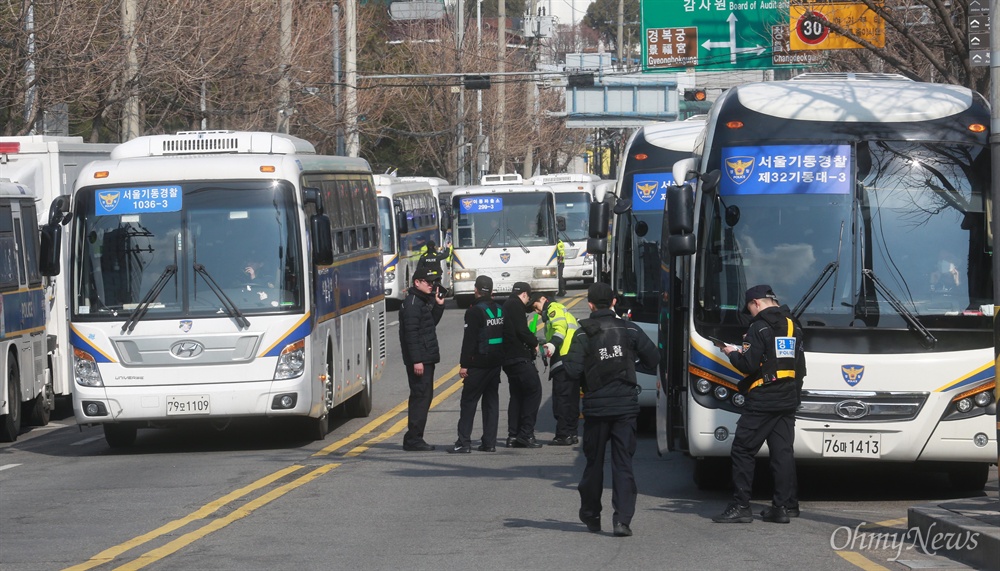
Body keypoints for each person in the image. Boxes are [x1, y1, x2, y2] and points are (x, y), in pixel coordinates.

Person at [563, 282, 659, 537]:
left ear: (591, 304)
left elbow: (572, 371)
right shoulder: (629, 329)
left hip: (595, 410)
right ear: (614, 302)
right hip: (626, 407)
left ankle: (591, 515)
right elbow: (654, 358)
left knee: (594, 464)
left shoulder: (583, 333)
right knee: (623, 464)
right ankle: (622, 520)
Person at [712, 284, 806, 524]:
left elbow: (747, 365)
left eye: (749, 308)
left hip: (763, 399)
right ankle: (784, 506)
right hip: (787, 399)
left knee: (743, 449)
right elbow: (800, 367)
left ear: (756, 303)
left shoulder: (759, 326)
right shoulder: (792, 324)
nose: (750, 313)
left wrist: (731, 352)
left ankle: (741, 505)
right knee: (782, 453)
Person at [449, 275, 504, 453]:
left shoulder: (474, 311)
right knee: (491, 403)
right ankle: (489, 443)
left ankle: (463, 442)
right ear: (492, 291)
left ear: (476, 290)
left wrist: (464, 364)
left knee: (469, 402)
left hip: (479, 364)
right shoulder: (500, 309)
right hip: (495, 363)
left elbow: (469, 340)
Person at [399, 267, 446, 451]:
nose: (432, 285)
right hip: (420, 360)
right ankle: (413, 439)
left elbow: (429, 325)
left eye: (433, 282)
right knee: (420, 397)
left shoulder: (421, 301)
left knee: (424, 397)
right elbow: (411, 335)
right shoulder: (412, 304)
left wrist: (439, 305)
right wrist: (416, 360)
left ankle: (414, 437)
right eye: (428, 282)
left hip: (426, 357)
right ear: (417, 282)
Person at [529, 292, 580, 445]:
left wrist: (553, 344)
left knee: (562, 399)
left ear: (543, 299)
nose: (536, 311)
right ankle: (571, 433)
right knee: (571, 399)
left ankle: (563, 435)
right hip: (573, 358)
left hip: (564, 359)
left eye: (536, 306)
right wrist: (542, 341)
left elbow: (560, 329)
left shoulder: (553, 308)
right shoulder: (561, 309)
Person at [502, 282, 543, 449]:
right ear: (525, 294)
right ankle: (526, 434)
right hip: (519, 357)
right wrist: (534, 343)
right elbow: (521, 330)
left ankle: (513, 435)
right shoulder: (516, 305)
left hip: (508, 358)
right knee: (534, 391)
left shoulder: (506, 304)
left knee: (517, 396)